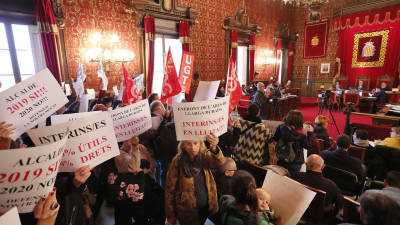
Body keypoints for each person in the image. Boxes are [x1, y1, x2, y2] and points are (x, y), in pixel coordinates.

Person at [165, 134, 225, 225]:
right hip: (187, 211)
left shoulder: (205, 156)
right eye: (188, 144)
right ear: (183, 145)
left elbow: (219, 163)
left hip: (207, 207)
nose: (192, 147)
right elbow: (169, 190)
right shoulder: (177, 161)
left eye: (195, 143)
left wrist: (214, 147)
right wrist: (170, 215)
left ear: (200, 144)